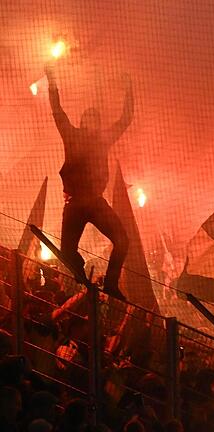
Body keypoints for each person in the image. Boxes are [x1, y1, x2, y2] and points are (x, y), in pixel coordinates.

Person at [44, 64, 134, 301]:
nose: (91, 121)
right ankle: (83, 278)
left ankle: (111, 285)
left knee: (123, 241)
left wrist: (129, 90)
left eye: (95, 118)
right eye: (88, 117)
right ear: (83, 121)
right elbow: (57, 110)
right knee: (67, 253)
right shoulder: (71, 135)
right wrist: (52, 80)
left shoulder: (103, 140)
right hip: (74, 204)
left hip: (95, 202)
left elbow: (126, 119)